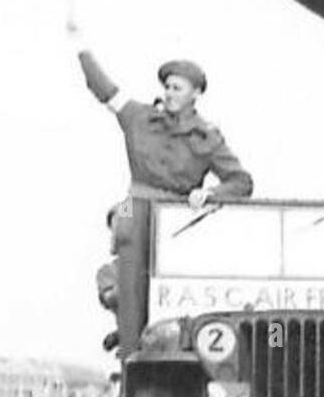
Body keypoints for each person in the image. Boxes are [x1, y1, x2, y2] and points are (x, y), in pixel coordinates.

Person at [71, 21, 254, 356]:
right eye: (167, 87)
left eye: (178, 88)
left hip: (175, 220)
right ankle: (126, 343)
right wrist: (80, 46)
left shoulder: (207, 137)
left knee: (170, 295)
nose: (170, 93)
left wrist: (210, 195)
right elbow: (104, 89)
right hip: (133, 203)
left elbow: (242, 182)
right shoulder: (139, 117)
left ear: (195, 94)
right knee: (121, 241)